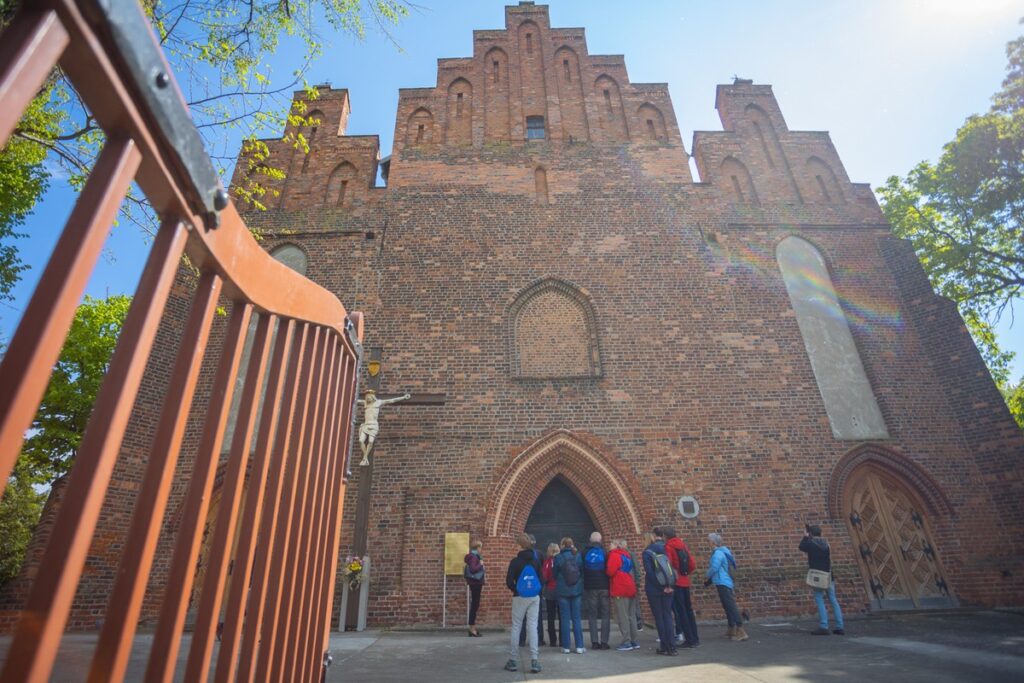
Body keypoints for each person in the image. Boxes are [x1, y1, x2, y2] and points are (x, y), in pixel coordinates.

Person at [504, 532, 543, 673]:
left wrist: (517, 590)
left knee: (516, 626)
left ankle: (513, 660)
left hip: (519, 597)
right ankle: (534, 660)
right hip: (534, 597)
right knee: (532, 626)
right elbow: (541, 579)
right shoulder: (536, 561)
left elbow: (509, 581)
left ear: (519, 546)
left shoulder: (515, 562)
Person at [800, 524, 845, 636]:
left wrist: (805, 536)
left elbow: (801, 547)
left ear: (811, 534)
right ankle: (840, 626)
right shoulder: (827, 544)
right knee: (833, 600)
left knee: (819, 599)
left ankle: (824, 626)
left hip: (818, 576)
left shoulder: (810, 543)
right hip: (829, 575)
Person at [704, 532, 747, 641]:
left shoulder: (718, 553)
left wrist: (706, 575)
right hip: (724, 581)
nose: (707, 543)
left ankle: (741, 631)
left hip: (723, 582)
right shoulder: (724, 551)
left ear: (713, 542)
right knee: (727, 606)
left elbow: (714, 568)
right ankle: (731, 629)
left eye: (708, 541)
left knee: (730, 606)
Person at [642, 527, 678, 655]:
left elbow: (650, 573)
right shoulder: (666, 548)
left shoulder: (647, 552)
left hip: (654, 589)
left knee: (659, 617)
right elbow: (673, 567)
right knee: (667, 615)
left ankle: (664, 646)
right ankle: (672, 646)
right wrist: (669, 585)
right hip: (670, 587)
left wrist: (660, 586)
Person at [663, 526, 700, 648]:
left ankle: (689, 639)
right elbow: (692, 563)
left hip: (676, 582)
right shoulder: (683, 545)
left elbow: (668, 566)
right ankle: (695, 637)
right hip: (685, 580)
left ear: (665, 536)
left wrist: (669, 581)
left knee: (681, 611)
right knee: (689, 610)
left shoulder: (668, 546)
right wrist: (686, 573)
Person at [606, 539, 640, 651]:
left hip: (620, 587)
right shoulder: (626, 555)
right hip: (630, 586)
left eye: (611, 543)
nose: (609, 545)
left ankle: (626, 642)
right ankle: (634, 640)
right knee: (631, 616)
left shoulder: (614, 555)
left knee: (622, 616)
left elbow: (610, 571)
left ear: (616, 545)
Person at [553, 536, 586, 654]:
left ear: (562, 545)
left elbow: (554, 574)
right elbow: (582, 571)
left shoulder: (558, 557)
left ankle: (566, 647)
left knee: (565, 619)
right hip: (576, 590)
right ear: (572, 544)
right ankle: (580, 646)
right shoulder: (577, 556)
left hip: (563, 591)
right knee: (576, 618)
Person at [582, 531, 611, 650]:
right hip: (604, 586)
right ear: (600, 540)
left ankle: (594, 642)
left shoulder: (584, 552)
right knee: (605, 614)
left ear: (590, 540)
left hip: (590, 587)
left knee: (592, 614)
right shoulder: (605, 552)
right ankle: (604, 642)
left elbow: (581, 568)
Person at [464, 540, 485, 637]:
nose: (481, 550)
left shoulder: (474, 556)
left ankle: (472, 628)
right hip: (476, 583)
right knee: (474, 606)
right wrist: (480, 564)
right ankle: (472, 629)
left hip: (475, 583)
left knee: (475, 605)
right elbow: (473, 569)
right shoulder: (473, 557)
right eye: (481, 547)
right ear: (477, 548)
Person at [541, 542, 561, 647]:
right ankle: (563, 640)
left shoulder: (547, 562)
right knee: (562, 616)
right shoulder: (561, 560)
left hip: (550, 590)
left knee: (550, 616)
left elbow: (544, 576)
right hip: (561, 590)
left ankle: (553, 640)